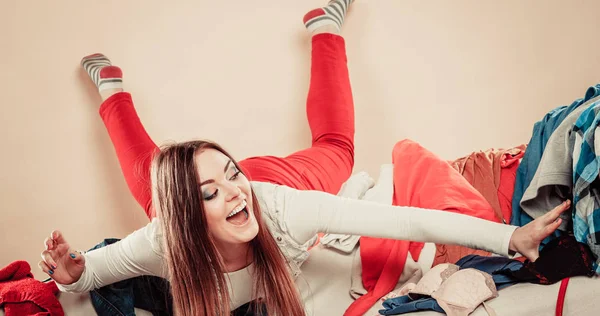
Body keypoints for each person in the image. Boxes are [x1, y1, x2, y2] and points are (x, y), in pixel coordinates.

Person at [38, 1, 569, 315]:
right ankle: (112, 91)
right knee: (153, 182)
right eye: (209, 192)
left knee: (336, 148)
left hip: (281, 181)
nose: (231, 190)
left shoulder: (278, 206)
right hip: (180, 214)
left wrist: (509, 239)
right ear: (184, 218)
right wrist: (67, 271)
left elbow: (399, 219)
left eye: (229, 175)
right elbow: (84, 278)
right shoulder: (161, 241)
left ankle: (324, 26)